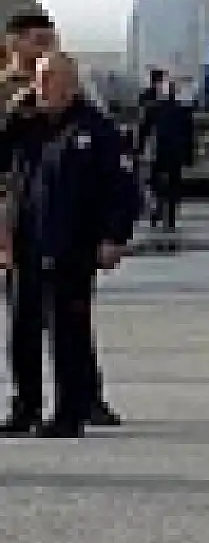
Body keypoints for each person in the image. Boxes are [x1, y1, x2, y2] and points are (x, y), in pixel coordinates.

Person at [0, 52, 139, 437]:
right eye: (39, 80)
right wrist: (13, 114)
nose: (41, 87)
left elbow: (123, 188)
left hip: (70, 247)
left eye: (49, 79)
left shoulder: (95, 130)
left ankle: (70, 410)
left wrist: (115, 236)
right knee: (21, 331)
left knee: (67, 332)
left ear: (70, 83)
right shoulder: (30, 128)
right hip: (26, 245)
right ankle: (25, 406)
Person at [137, 74, 193, 232]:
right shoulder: (182, 110)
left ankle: (158, 211)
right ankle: (169, 216)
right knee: (173, 185)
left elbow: (144, 130)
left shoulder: (153, 109)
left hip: (159, 151)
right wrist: (188, 156)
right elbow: (188, 134)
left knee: (157, 184)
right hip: (173, 152)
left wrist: (139, 148)